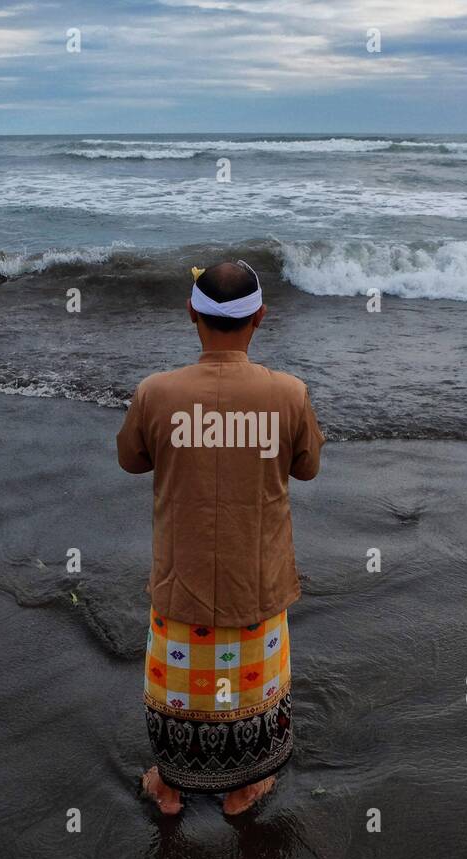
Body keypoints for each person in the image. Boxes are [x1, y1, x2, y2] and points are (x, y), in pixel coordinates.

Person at [117, 260, 324, 816]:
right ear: (260, 317)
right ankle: (241, 790)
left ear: (192, 313)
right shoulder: (289, 393)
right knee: (250, 687)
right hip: (257, 583)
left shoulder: (156, 392)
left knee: (177, 688)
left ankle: (169, 788)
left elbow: (131, 459)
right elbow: (307, 467)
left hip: (180, 583)